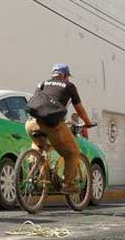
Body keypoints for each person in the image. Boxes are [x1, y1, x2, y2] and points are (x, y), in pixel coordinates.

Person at [25, 63, 94, 194]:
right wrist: (87, 122)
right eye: (68, 76)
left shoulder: (42, 84)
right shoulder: (69, 86)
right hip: (52, 124)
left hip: (31, 123)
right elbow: (78, 108)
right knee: (73, 152)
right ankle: (68, 184)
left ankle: (35, 174)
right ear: (64, 75)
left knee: (39, 146)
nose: (68, 78)